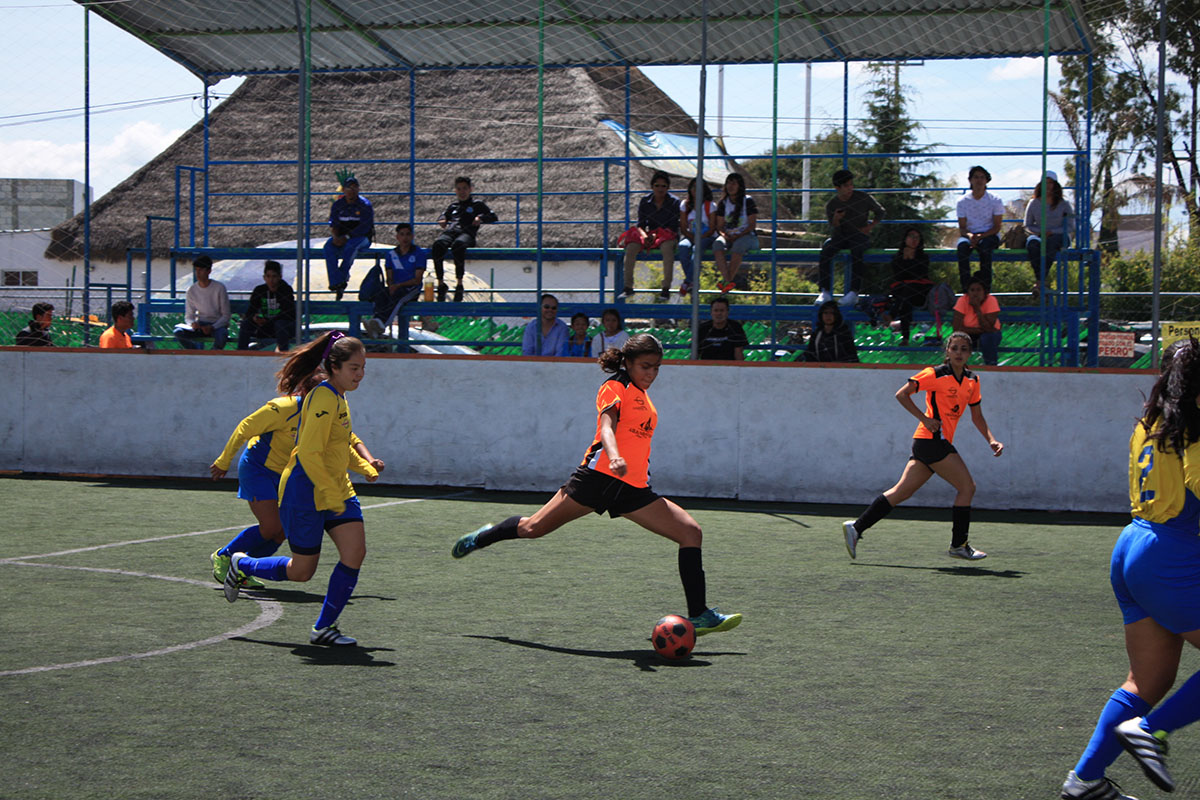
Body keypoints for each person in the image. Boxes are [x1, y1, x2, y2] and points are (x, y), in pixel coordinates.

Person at [449, 333, 743, 637]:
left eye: (656, 367)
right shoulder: (615, 386)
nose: (651, 374)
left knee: (691, 532)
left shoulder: (644, 396)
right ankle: (482, 538)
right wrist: (614, 455)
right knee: (533, 528)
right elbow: (606, 426)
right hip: (598, 479)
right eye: (645, 366)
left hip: (633, 488)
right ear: (628, 363)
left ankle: (699, 615)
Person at [1059, 338, 1200, 800]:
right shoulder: (1193, 420)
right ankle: (1151, 731)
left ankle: (1084, 782)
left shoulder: (1150, 419)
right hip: (1171, 554)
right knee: (1149, 694)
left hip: (1133, 546)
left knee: (1148, 680)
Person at [223, 332, 377, 646]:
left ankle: (323, 628)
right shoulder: (322, 397)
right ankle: (242, 563)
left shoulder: (338, 396)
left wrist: (365, 467)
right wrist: (328, 493)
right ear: (334, 367)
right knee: (302, 571)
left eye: (363, 367)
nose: (360, 374)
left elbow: (341, 444)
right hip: (305, 491)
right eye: (354, 368)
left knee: (355, 553)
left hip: (336, 490)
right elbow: (309, 453)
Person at [209, 353, 383, 592]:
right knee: (272, 527)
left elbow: (345, 440)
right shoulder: (283, 408)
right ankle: (226, 556)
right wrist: (223, 461)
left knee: (281, 532)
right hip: (259, 469)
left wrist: (366, 465)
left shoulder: (329, 408)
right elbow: (244, 428)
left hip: (289, 474)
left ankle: (243, 566)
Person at [841, 331, 1004, 562]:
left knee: (901, 492)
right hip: (931, 440)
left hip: (930, 443)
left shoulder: (972, 381)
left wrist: (991, 440)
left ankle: (857, 527)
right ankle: (959, 545)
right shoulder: (934, 374)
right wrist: (925, 418)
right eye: (954, 348)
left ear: (970, 353)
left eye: (964, 349)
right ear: (947, 351)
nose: (959, 353)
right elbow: (902, 394)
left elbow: (977, 416)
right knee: (967, 487)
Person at [816, 169, 884, 308]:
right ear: (837, 188)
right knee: (826, 250)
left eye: (851, 184)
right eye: (846, 186)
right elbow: (833, 226)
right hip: (841, 236)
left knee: (857, 250)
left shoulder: (863, 197)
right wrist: (836, 219)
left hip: (859, 235)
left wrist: (869, 227)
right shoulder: (832, 204)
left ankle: (854, 292)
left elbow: (880, 212)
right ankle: (825, 291)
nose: (850, 188)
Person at [431, 176, 497, 303]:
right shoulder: (453, 206)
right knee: (438, 245)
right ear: (455, 190)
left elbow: (493, 216)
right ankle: (441, 283)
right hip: (451, 231)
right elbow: (443, 214)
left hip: (467, 233)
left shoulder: (477, 204)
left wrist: (480, 218)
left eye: (465, 189)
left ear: (470, 189)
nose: (462, 192)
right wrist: (443, 219)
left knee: (458, 245)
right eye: (459, 189)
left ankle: (459, 284)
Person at [618, 170, 681, 302]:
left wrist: (655, 234)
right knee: (630, 248)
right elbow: (641, 224)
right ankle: (628, 287)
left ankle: (666, 288)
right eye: (657, 185)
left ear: (668, 188)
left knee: (667, 249)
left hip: (667, 235)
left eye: (663, 186)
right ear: (652, 186)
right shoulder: (645, 201)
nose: (660, 189)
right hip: (648, 236)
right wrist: (644, 235)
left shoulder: (675, 202)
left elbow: (673, 226)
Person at [365, 223, 426, 339]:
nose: (405, 238)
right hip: (395, 286)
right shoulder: (391, 254)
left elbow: (417, 279)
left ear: (412, 236)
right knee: (381, 294)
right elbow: (389, 275)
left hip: (411, 288)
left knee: (398, 297)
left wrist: (398, 285)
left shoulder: (419, 253)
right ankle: (375, 322)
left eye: (408, 234)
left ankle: (383, 324)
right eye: (402, 234)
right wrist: (391, 285)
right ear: (397, 237)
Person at [1024, 171, 1075, 301]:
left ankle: (1040, 282)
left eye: (1050, 183)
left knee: (1052, 243)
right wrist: (1040, 232)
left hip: (1058, 236)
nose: (1048, 186)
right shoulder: (1034, 203)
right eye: (1045, 183)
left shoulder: (1063, 203)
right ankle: (1041, 280)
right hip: (1039, 235)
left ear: (1055, 185)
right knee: (1032, 243)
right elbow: (1027, 225)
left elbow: (1070, 226)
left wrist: (1052, 232)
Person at [323, 176, 374, 301]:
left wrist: (347, 237)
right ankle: (336, 282)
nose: (351, 190)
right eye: (348, 188)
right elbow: (333, 223)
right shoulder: (338, 205)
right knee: (328, 247)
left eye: (354, 187)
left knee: (351, 247)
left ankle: (341, 278)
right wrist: (335, 237)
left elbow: (364, 227)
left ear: (358, 189)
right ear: (343, 190)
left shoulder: (365, 205)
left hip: (361, 238)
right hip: (341, 237)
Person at [955, 165, 1004, 292]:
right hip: (969, 235)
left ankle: (985, 289)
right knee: (962, 249)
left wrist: (981, 236)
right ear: (970, 180)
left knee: (985, 249)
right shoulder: (962, 201)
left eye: (982, 177)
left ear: (986, 180)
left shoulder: (995, 200)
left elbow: (997, 226)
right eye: (976, 177)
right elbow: (962, 228)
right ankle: (966, 289)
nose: (979, 180)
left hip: (989, 235)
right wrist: (971, 236)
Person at [885, 227, 934, 347]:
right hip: (904, 293)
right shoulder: (897, 257)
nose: (914, 240)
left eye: (917, 237)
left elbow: (919, 275)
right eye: (911, 236)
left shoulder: (923, 257)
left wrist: (911, 259)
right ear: (905, 239)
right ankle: (905, 338)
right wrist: (905, 259)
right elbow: (899, 276)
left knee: (908, 290)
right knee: (905, 300)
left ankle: (892, 314)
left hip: (919, 292)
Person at [712, 172, 760, 294]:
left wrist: (738, 236)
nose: (730, 186)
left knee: (739, 246)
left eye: (734, 183)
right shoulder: (723, 203)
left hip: (747, 236)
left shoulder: (747, 200)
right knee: (717, 244)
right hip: (728, 236)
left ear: (740, 186)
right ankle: (728, 281)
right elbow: (720, 226)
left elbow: (751, 225)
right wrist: (724, 236)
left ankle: (727, 282)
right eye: (728, 183)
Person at [237, 260, 296, 351]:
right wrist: (255, 317)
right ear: (264, 277)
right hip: (264, 325)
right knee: (246, 324)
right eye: (268, 276)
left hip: (282, 325)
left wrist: (268, 320)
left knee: (280, 325)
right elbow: (251, 310)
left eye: (274, 276)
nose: (271, 280)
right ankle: (241, 352)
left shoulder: (286, 290)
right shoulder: (259, 290)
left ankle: (283, 352)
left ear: (280, 277)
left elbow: (288, 313)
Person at [174, 256, 230, 350]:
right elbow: (189, 316)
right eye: (196, 270)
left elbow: (226, 315)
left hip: (216, 325)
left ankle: (212, 355)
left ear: (208, 271)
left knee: (222, 335)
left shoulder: (219, 288)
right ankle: (196, 353)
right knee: (178, 332)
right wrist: (193, 324)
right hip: (200, 324)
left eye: (201, 270)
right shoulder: (191, 290)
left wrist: (212, 327)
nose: (198, 273)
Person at [676, 177, 715, 298]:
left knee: (696, 250)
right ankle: (692, 281)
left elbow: (712, 228)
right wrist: (691, 237)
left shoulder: (711, 206)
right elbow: (683, 227)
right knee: (682, 247)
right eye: (693, 187)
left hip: (707, 237)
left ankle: (687, 281)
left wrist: (700, 238)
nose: (695, 190)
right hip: (690, 235)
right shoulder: (685, 205)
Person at [952, 272, 1002, 366]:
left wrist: (977, 309)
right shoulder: (963, 300)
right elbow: (957, 328)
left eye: (979, 290)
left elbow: (988, 328)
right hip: (969, 334)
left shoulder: (991, 300)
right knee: (957, 340)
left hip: (989, 335)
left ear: (984, 292)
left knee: (988, 338)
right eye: (972, 290)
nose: (975, 293)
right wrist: (979, 330)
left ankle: (991, 366)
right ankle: (957, 369)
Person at [696, 295, 748, 361]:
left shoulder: (735, 327)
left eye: (722, 310)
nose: (719, 313)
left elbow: (738, 353)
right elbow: (695, 354)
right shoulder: (703, 328)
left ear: (727, 312)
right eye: (716, 310)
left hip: (730, 367)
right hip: (707, 367)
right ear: (711, 312)